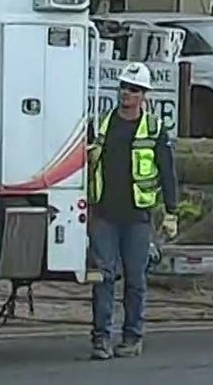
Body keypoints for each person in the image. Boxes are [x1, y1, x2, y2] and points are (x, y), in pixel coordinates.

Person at [87, 62, 180, 360]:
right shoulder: (101, 124)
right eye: (125, 87)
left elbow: (167, 172)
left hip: (138, 217)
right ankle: (101, 339)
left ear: (145, 95)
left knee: (136, 280)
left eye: (135, 89)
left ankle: (131, 338)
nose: (127, 93)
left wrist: (171, 212)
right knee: (103, 278)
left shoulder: (154, 129)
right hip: (104, 215)